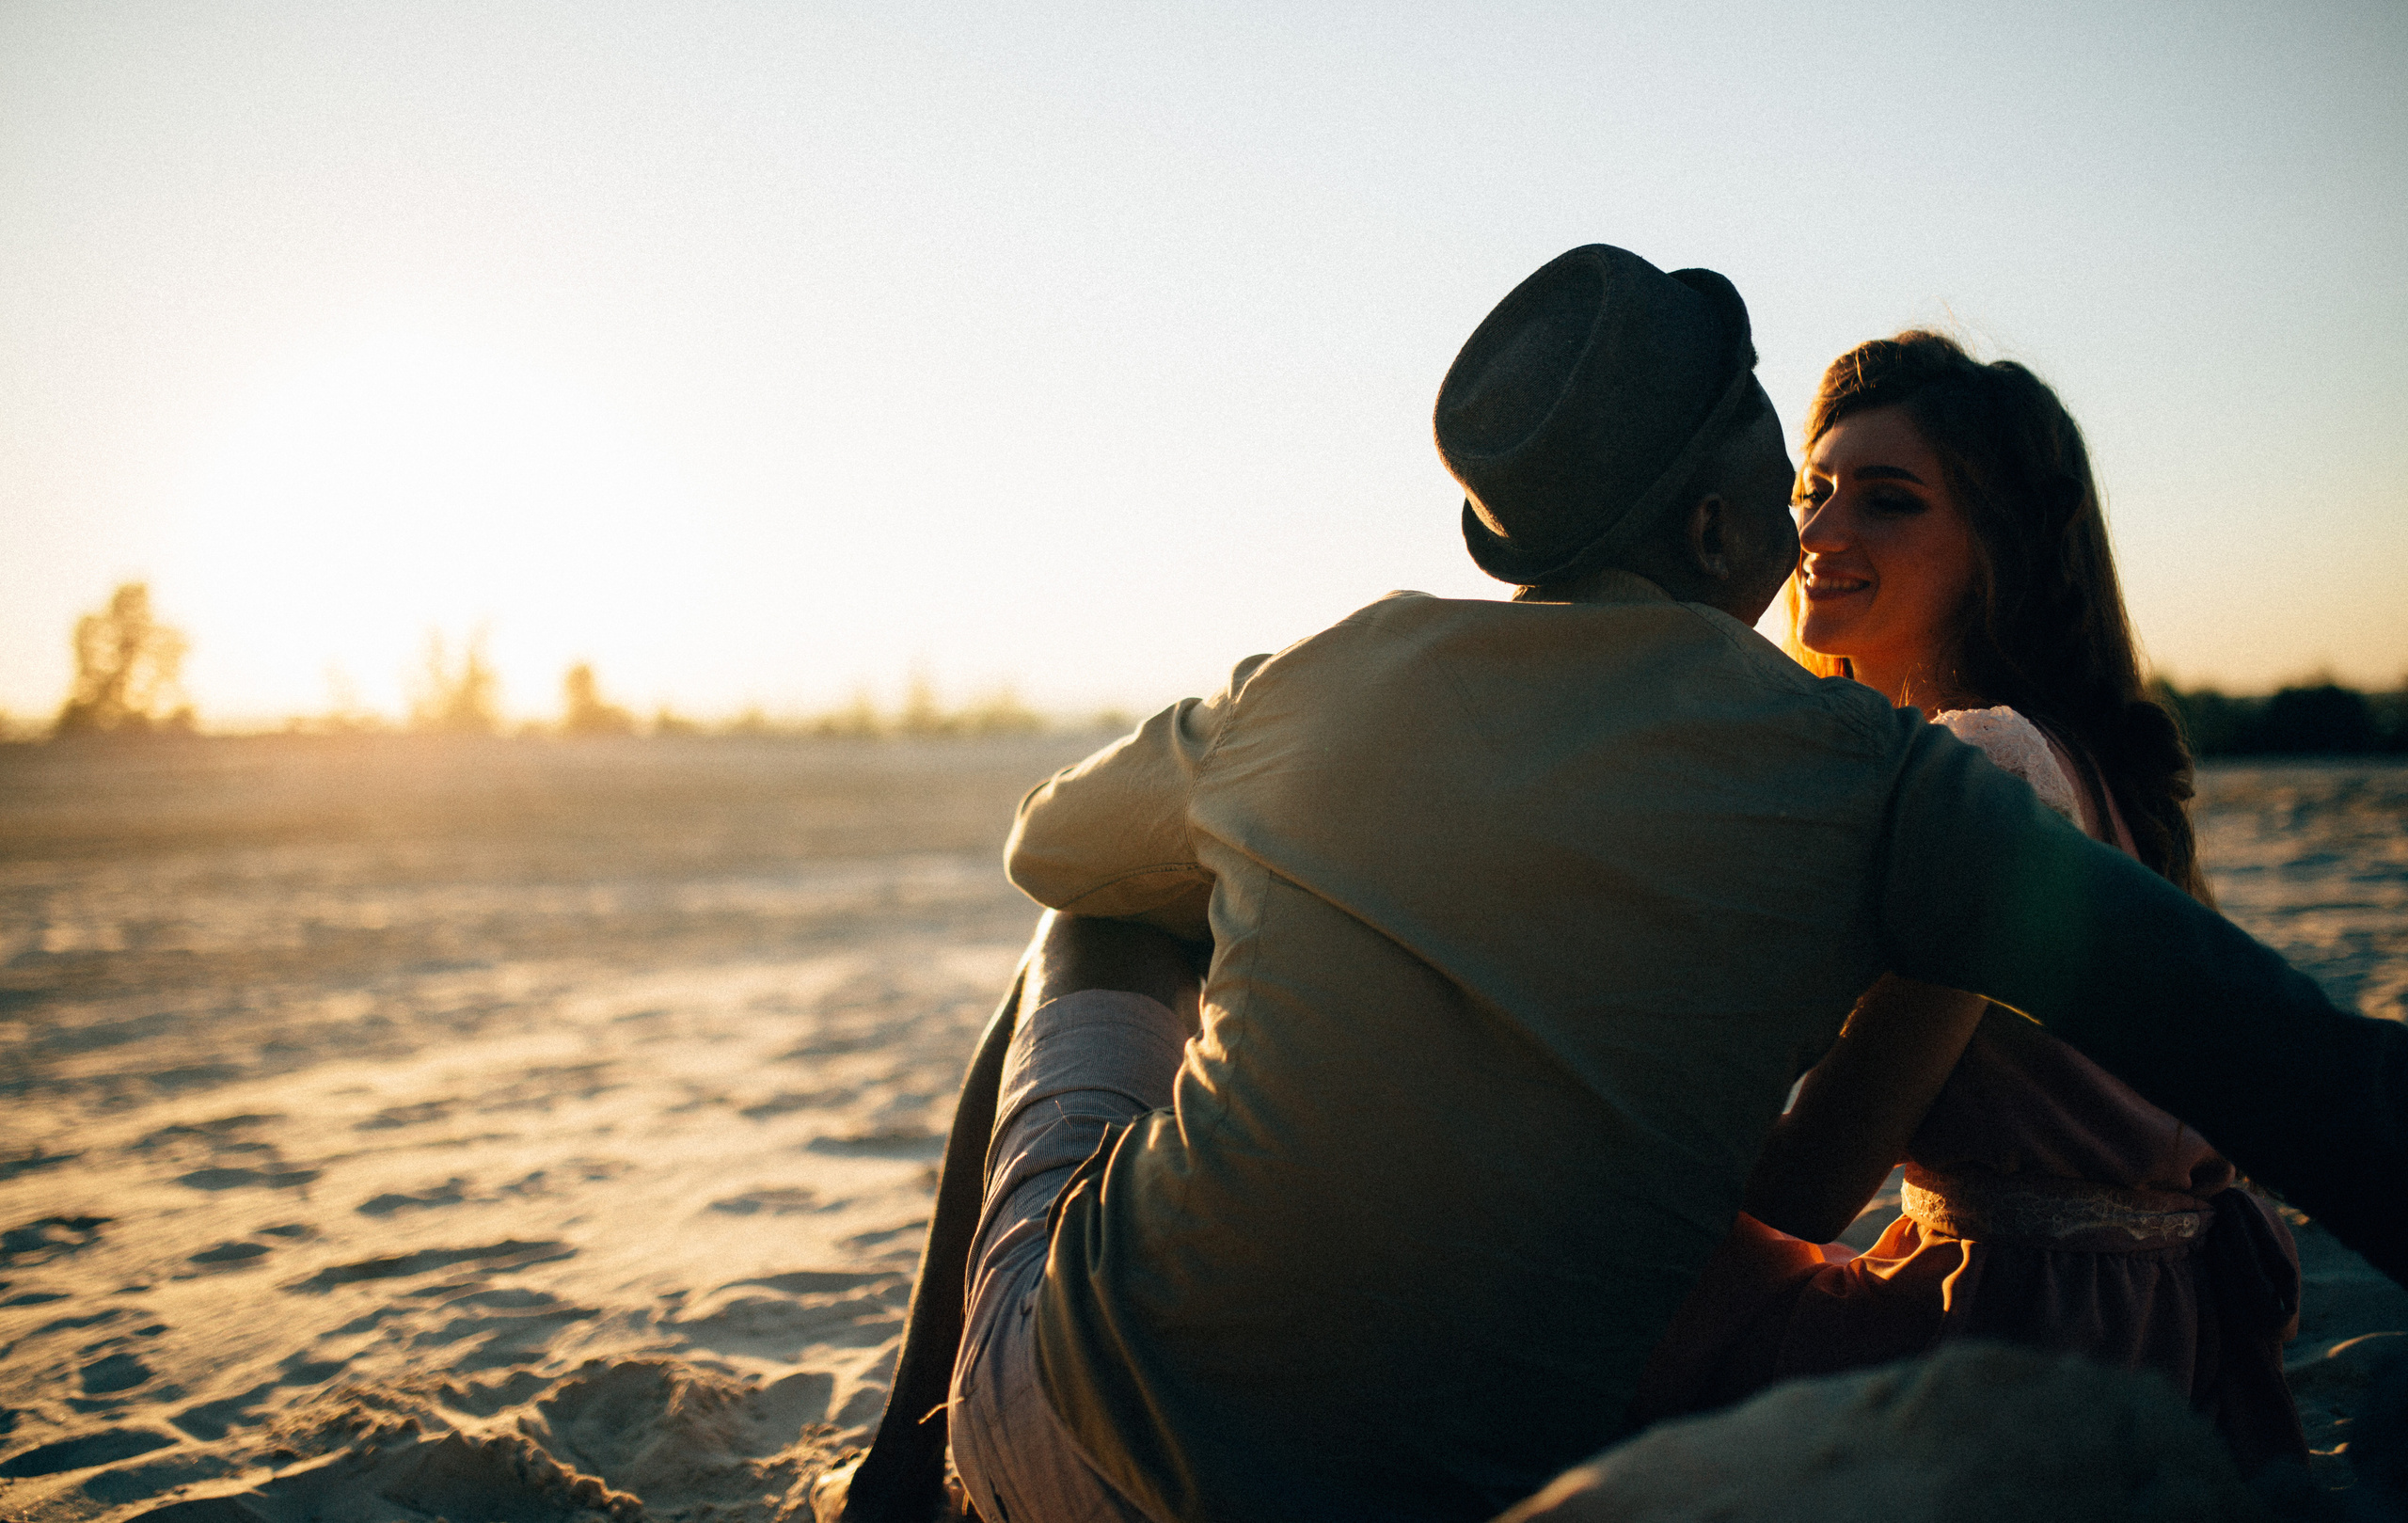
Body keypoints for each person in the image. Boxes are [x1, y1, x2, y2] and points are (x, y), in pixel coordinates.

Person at [842, 245, 2406, 1523]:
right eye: (1780, 469)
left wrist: (1273, 815)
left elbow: (1049, 844)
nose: (1812, 532)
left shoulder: (1327, 677)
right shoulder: (1883, 782)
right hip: (1462, 1487)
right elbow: (2284, 1062)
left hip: (1077, 1440)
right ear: (1722, 523)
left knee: (1104, 909)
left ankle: (906, 1472)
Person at [1629, 333, 2307, 1470]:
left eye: (1886, 502)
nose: (1817, 533)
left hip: (2023, 1332)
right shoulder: (2071, 757)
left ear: (2001, 551)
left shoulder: (1988, 766)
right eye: (1812, 490)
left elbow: (1817, 1178)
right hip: (2130, 1314)